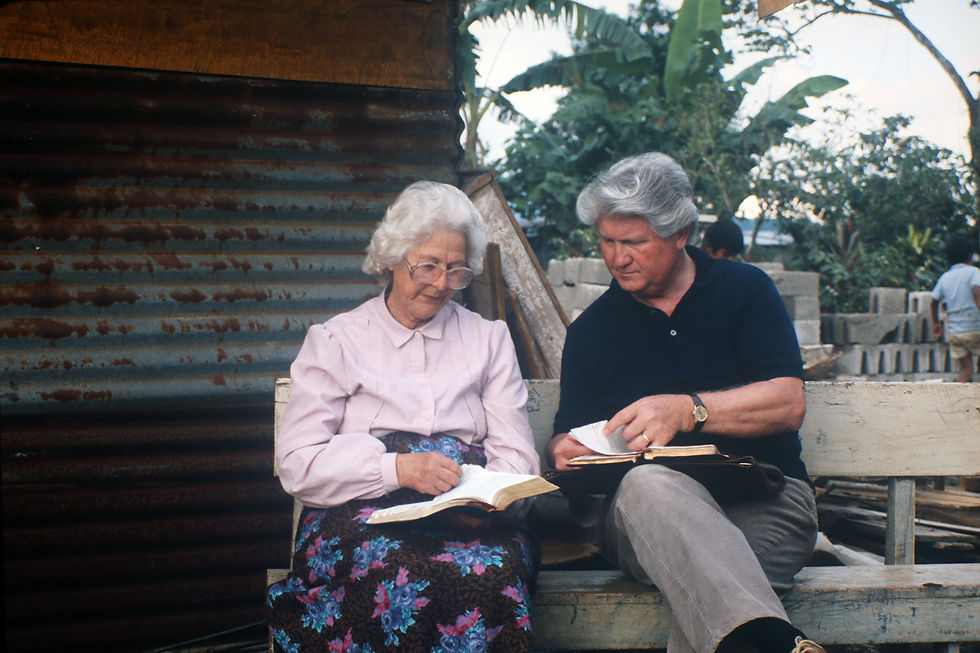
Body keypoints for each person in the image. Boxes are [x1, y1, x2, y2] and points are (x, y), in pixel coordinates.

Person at [547, 153, 824, 653]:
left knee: (711, 594)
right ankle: (777, 641)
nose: (617, 257)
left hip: (767, 502)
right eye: (607, 241)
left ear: (681, 234)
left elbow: (788, 403)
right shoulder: (591, 331)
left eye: (633, 242)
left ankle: (769, 641)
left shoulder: (745, 291)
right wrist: (566, 450)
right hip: (640, 520)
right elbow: (570, 435)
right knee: (650, 482)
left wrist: (686, 410)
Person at [266, 181, 541, 653]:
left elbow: (516, 454)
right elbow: (297, 462)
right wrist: (397, 469)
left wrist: (490, 502)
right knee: (397, 570)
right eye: (428, 266)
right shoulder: (338, 341)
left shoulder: (489, 339)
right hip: (361, 509)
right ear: (393, 257)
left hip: (469, 517)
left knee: (491, 573)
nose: (440, 284)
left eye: (456, 271)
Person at [930, 237, 980, 382]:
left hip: (955, 334)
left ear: (948, 260)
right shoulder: (974, 272)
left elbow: (933, 301)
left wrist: (936, 323)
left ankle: (958, 402)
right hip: (976, 329)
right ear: (971, 256)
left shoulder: (945, 277)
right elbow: (977, 293)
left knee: (967, 369)